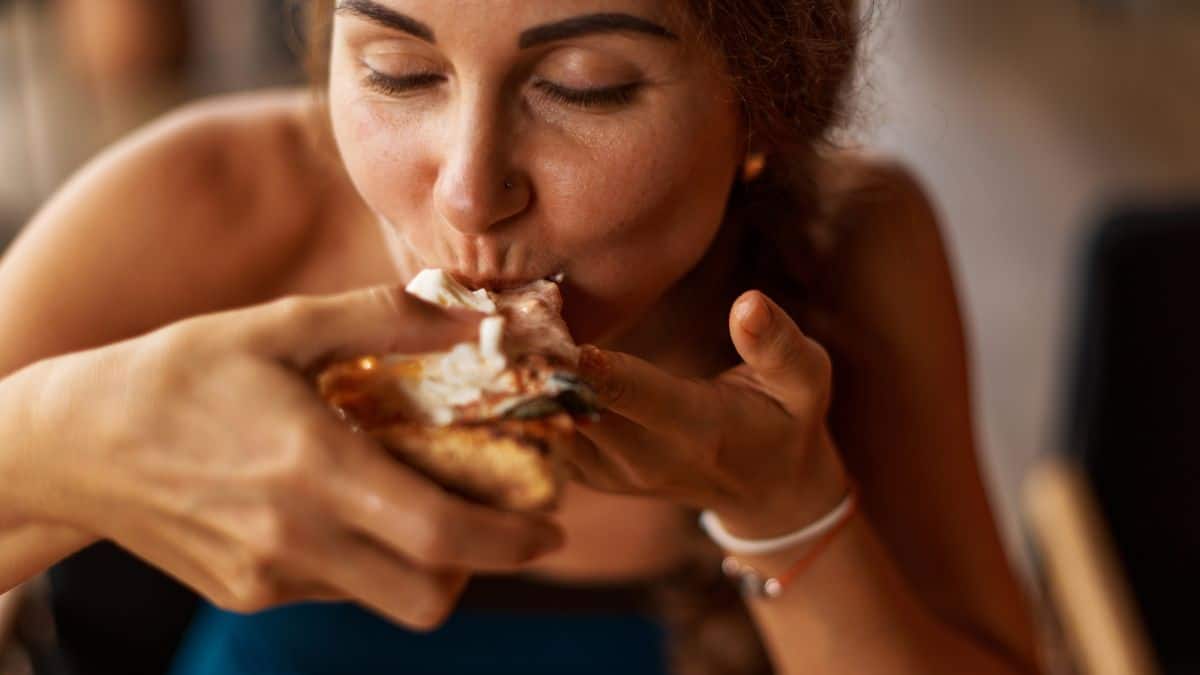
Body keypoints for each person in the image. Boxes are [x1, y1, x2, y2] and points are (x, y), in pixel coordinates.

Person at [0, 1, 1043, 673]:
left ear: (769, 111)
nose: (466, 192)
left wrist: (783, 504)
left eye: (583, 86)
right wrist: (50, 443)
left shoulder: (854, 244)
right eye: (401, 72)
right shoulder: (205, 208)